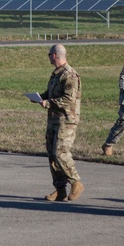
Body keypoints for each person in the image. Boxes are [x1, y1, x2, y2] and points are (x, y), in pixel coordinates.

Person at [39, 43, 83, 202]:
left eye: (49, 54)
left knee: (60, 152)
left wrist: (49, 103)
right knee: (52, 153)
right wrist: (40, 97)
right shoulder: (56, 74)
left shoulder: (70, 74)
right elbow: (51, 93)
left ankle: (76, 182)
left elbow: (68, 99)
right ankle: (60, 190)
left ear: (55, 55)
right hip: (53, 119)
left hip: (67, 120)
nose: (48, 57)